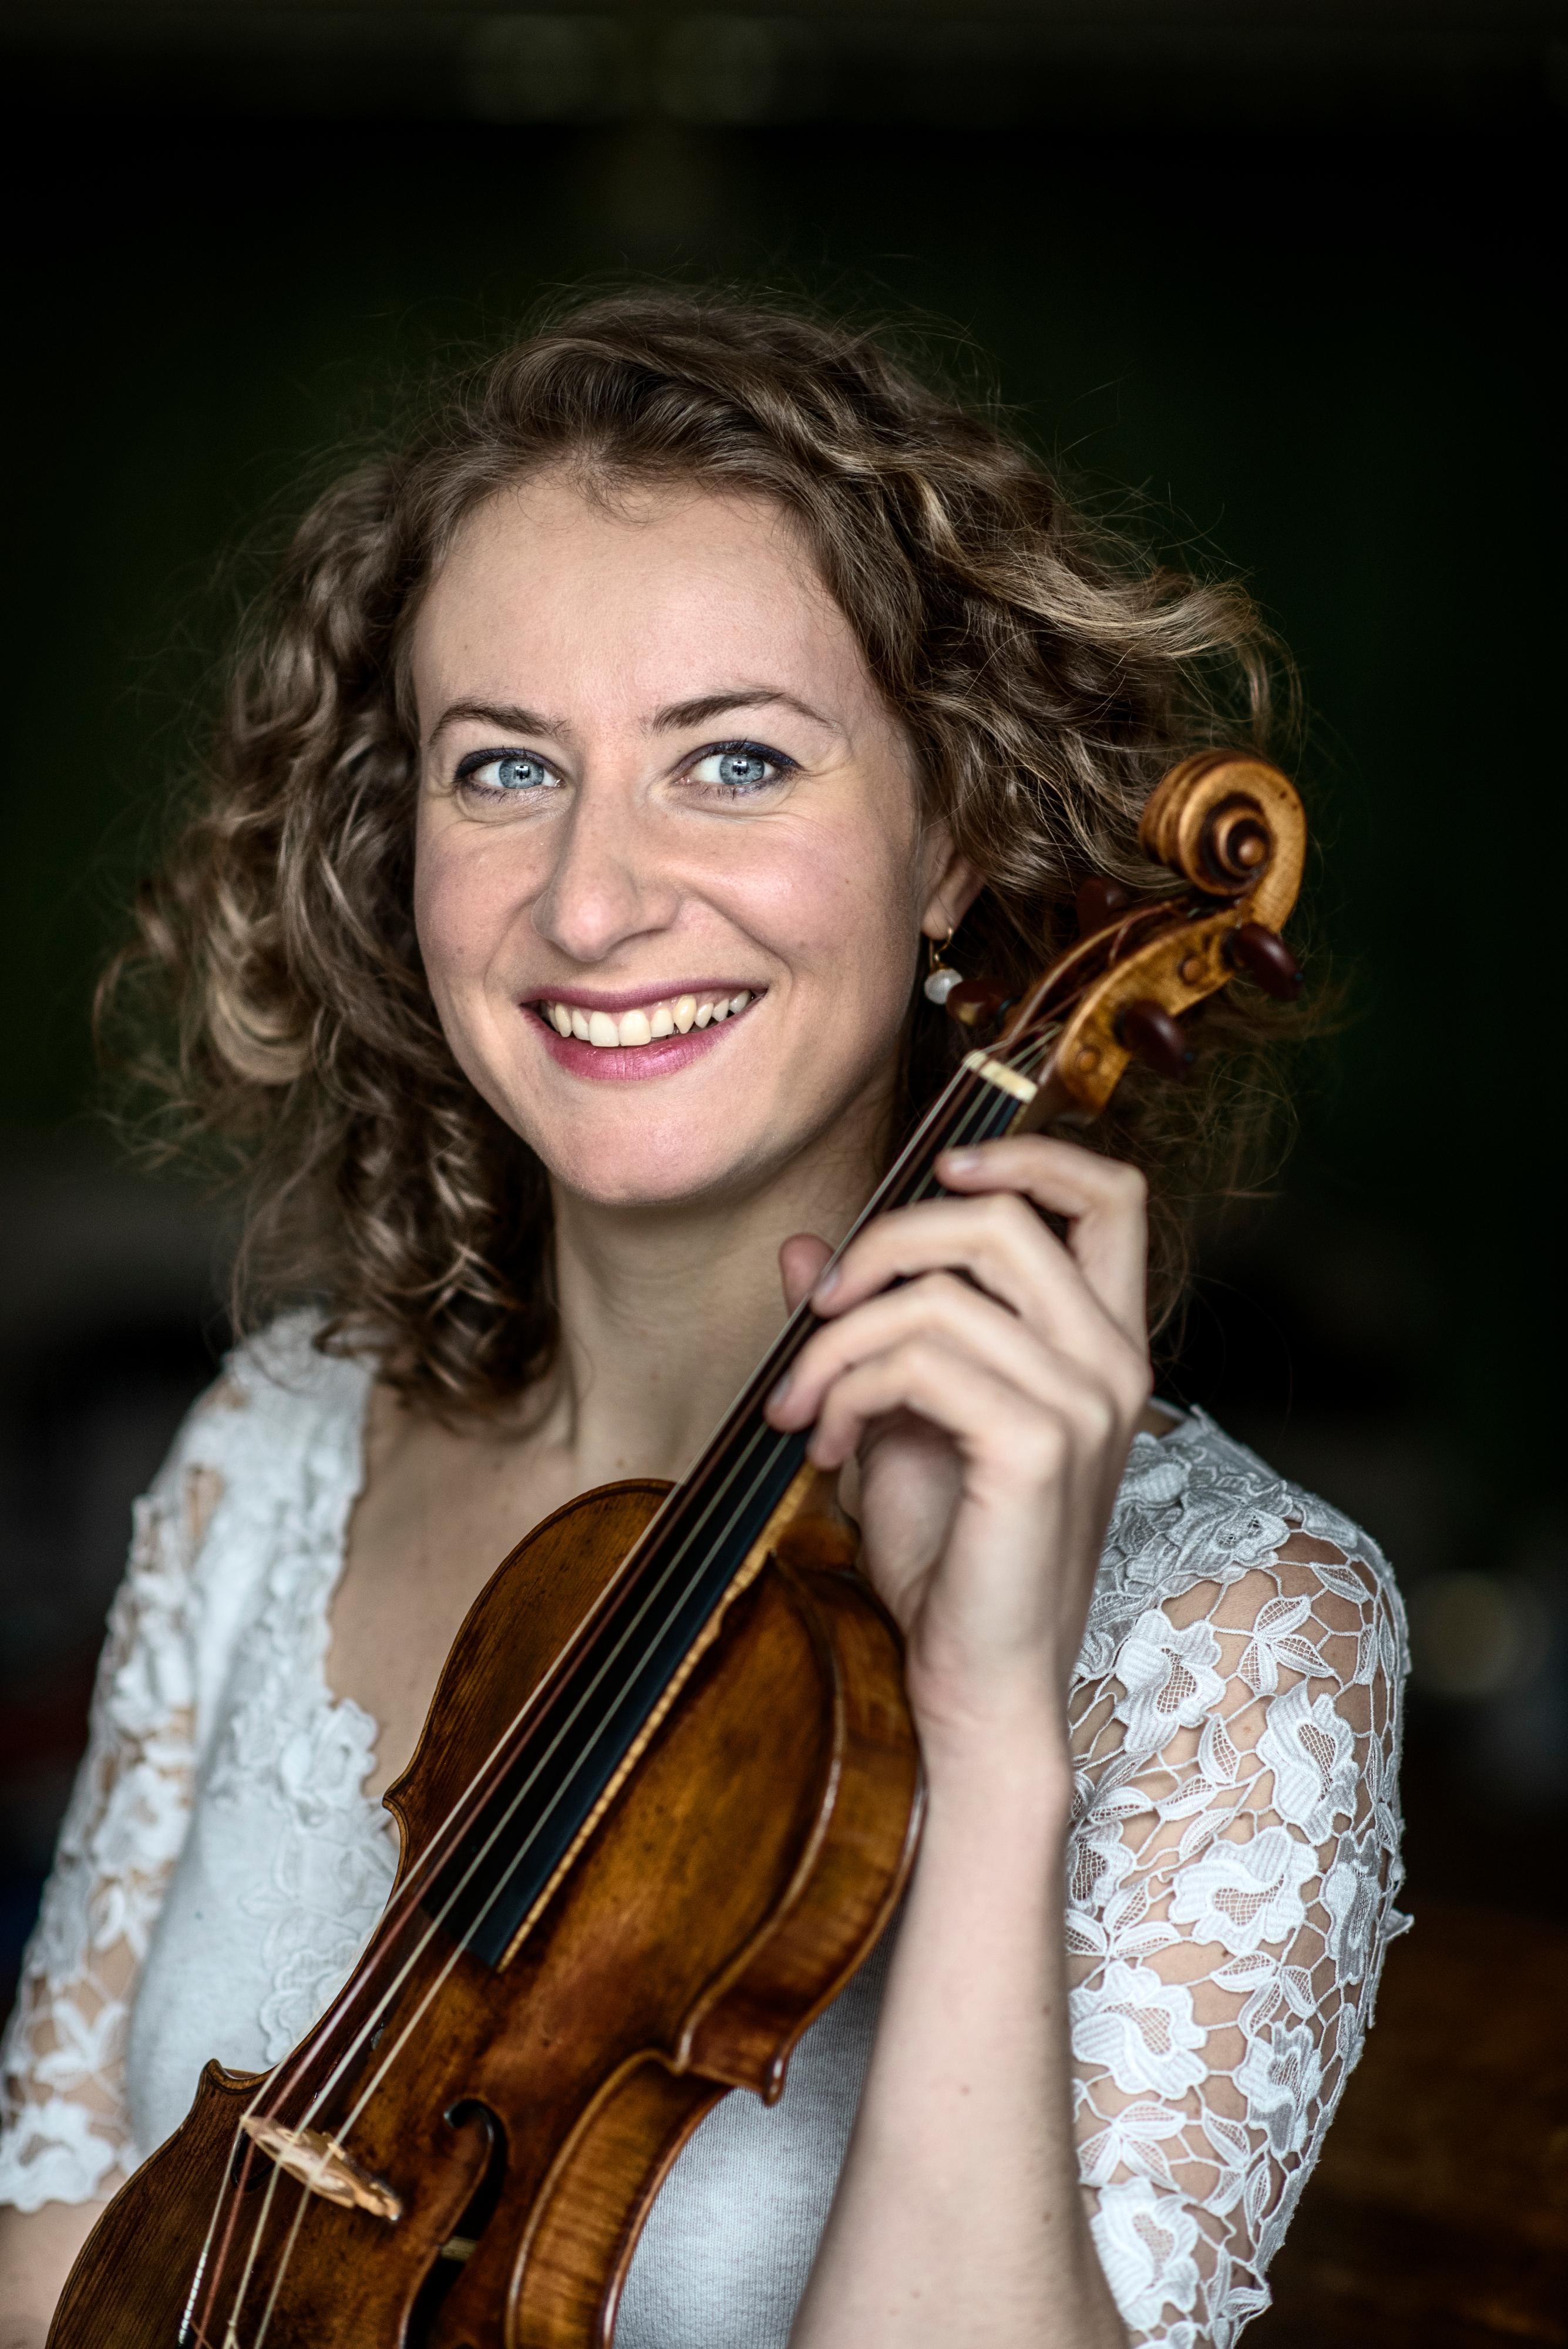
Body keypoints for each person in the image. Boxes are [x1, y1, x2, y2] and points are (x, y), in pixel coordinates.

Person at [0, 293, 1407, 2349]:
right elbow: (56, 2261)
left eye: (734, 762)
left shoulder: (1236, 1631)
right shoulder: (277, 1447)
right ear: (404, 849)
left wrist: (990, 1724)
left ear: (958, 837)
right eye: (505, 771)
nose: (591, 904)